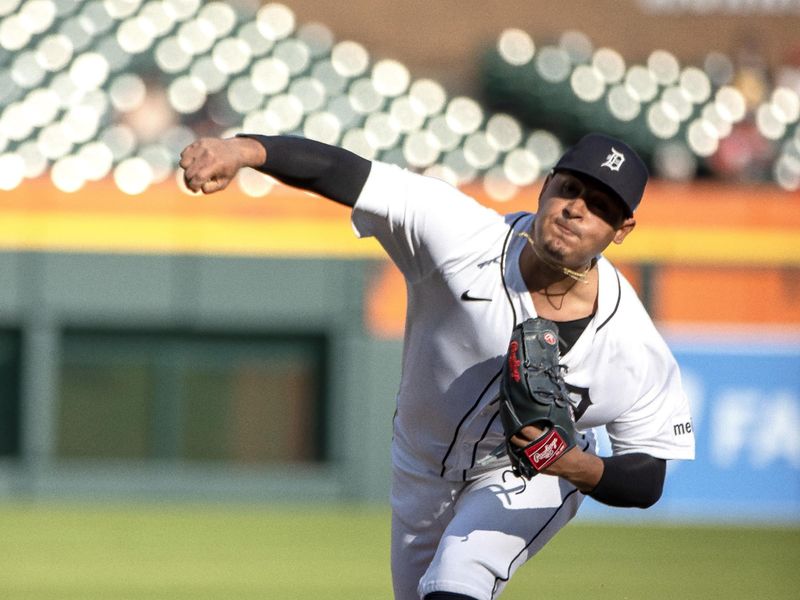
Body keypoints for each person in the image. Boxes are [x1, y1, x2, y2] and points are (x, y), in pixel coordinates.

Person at [179, 132, 695, 600]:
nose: (576, 209)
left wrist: (569, 464)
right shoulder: (461, 235)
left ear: (622, 228)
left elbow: (648, 477)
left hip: (525, 476)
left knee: (457, 583)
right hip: (419, 467)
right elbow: (346, 173)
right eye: (570, 189)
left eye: (600, 206)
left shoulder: (632, 345)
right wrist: (243, 152)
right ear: (545, 187)